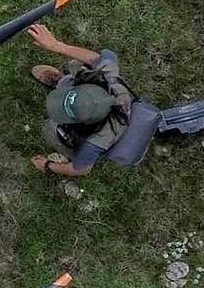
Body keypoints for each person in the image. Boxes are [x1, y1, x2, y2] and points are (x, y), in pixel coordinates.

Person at [24, 23, 136, 178]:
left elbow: (81, 169)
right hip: (97, 101)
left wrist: (48, 166)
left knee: (52, 128)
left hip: (103, 131)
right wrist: (56, 45)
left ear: (85, 125)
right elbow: (103, 57)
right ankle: (62, 82)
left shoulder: (95, 141)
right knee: (77, 68)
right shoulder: (110, 78)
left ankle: (62, 84)